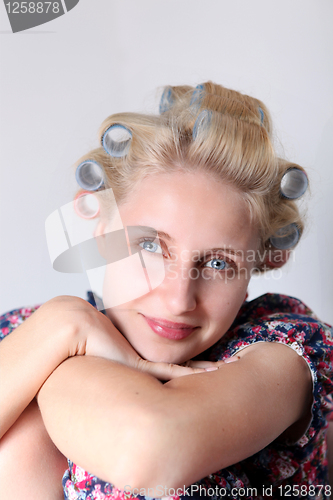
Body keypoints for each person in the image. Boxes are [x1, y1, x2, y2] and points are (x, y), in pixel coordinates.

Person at [0, 82, 332, 500]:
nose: (178, 300)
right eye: (150, 246)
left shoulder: (287, 351)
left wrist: (50, 366)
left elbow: (146, 448)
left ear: (258, 265)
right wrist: (63, 321)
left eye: (218, 263)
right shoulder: (32, 329)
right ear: (99, 227)